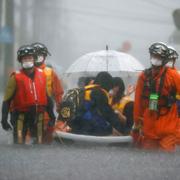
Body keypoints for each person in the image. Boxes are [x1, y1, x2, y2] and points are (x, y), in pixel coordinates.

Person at [1, 45, 55, 144]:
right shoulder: (15, 77)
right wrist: (4, 119)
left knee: (39, 144)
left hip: (38, 115)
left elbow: (47, 97)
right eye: (25, 58)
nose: (27, 61)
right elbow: (6, 100)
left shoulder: (43, 75)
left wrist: (52, 116)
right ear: (20, 61)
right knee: (19, 143)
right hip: (20, 117)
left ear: (34, 59)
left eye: (29, 58)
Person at [133, 42, 180, 152]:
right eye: (154, 56)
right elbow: (138, 102)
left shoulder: (173, 76)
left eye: (159, 57)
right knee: (148, 158)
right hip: (149, 125)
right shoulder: (143, 77)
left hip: (168, 125)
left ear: (164, 59)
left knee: (165, 158)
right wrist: (137, 123)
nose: (156, 59)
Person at [68, 71, 125, 136]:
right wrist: (119, 127)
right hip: (89, 126)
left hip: (75, 124)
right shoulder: (100, 92)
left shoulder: (85, 89)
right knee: (112, 130)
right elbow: (107, 113)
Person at [32, 42, 64, 143]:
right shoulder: (22, 73)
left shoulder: (50, 73)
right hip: (27, 113)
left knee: (44, 141)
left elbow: (58, 94)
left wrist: (61, 114)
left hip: (45, 114)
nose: (37, 57)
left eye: (40, 54)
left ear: (44, 57)